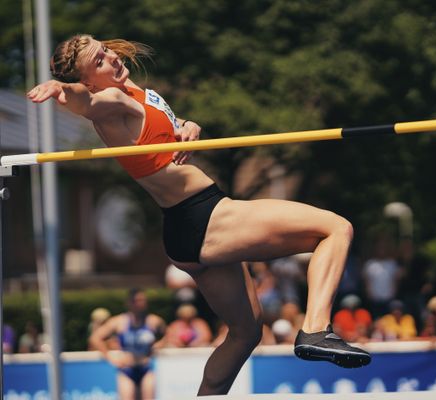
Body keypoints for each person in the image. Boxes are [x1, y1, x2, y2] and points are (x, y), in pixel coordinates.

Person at [29, 34, 370, 396]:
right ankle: (315, 329)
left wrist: (187, 126)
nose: (110, 58)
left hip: (185, 230)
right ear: (88, 80)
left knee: (245, 333)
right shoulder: (110, 100)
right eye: (98, 62)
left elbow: (162, 130)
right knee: (335, 228)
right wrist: (62, 91)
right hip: (206, 215)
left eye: (105, 50)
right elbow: (87, 103)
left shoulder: (142, 95)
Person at [88, 288, 166, 400]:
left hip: (145, 367)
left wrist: (159, 344)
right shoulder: (120, 321)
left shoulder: (153, 321)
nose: (140, 303)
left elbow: (168, 334)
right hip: (127, 370)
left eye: (143, 300)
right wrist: (109, 356)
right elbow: (95, 338)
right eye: (137, 300)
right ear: (129, 303)